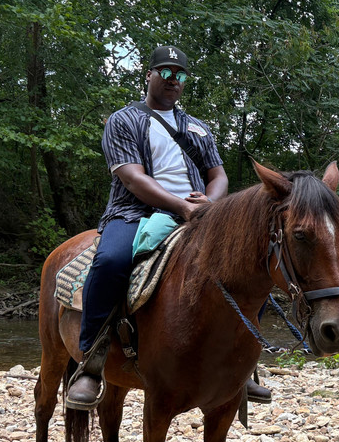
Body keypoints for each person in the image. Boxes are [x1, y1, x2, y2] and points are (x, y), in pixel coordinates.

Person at [66, 45, 271, 408]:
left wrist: (211, 203)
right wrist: (181, 206)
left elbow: (217, 174)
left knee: (252, 270)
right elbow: (131, 177)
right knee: (111, 262)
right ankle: (91, 362)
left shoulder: (198, 128)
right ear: (149, 75)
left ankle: (243, 367)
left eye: (181, 74)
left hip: (199, 216)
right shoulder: (123, 120)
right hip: (134, 214)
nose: (173, 80)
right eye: (166, 72)